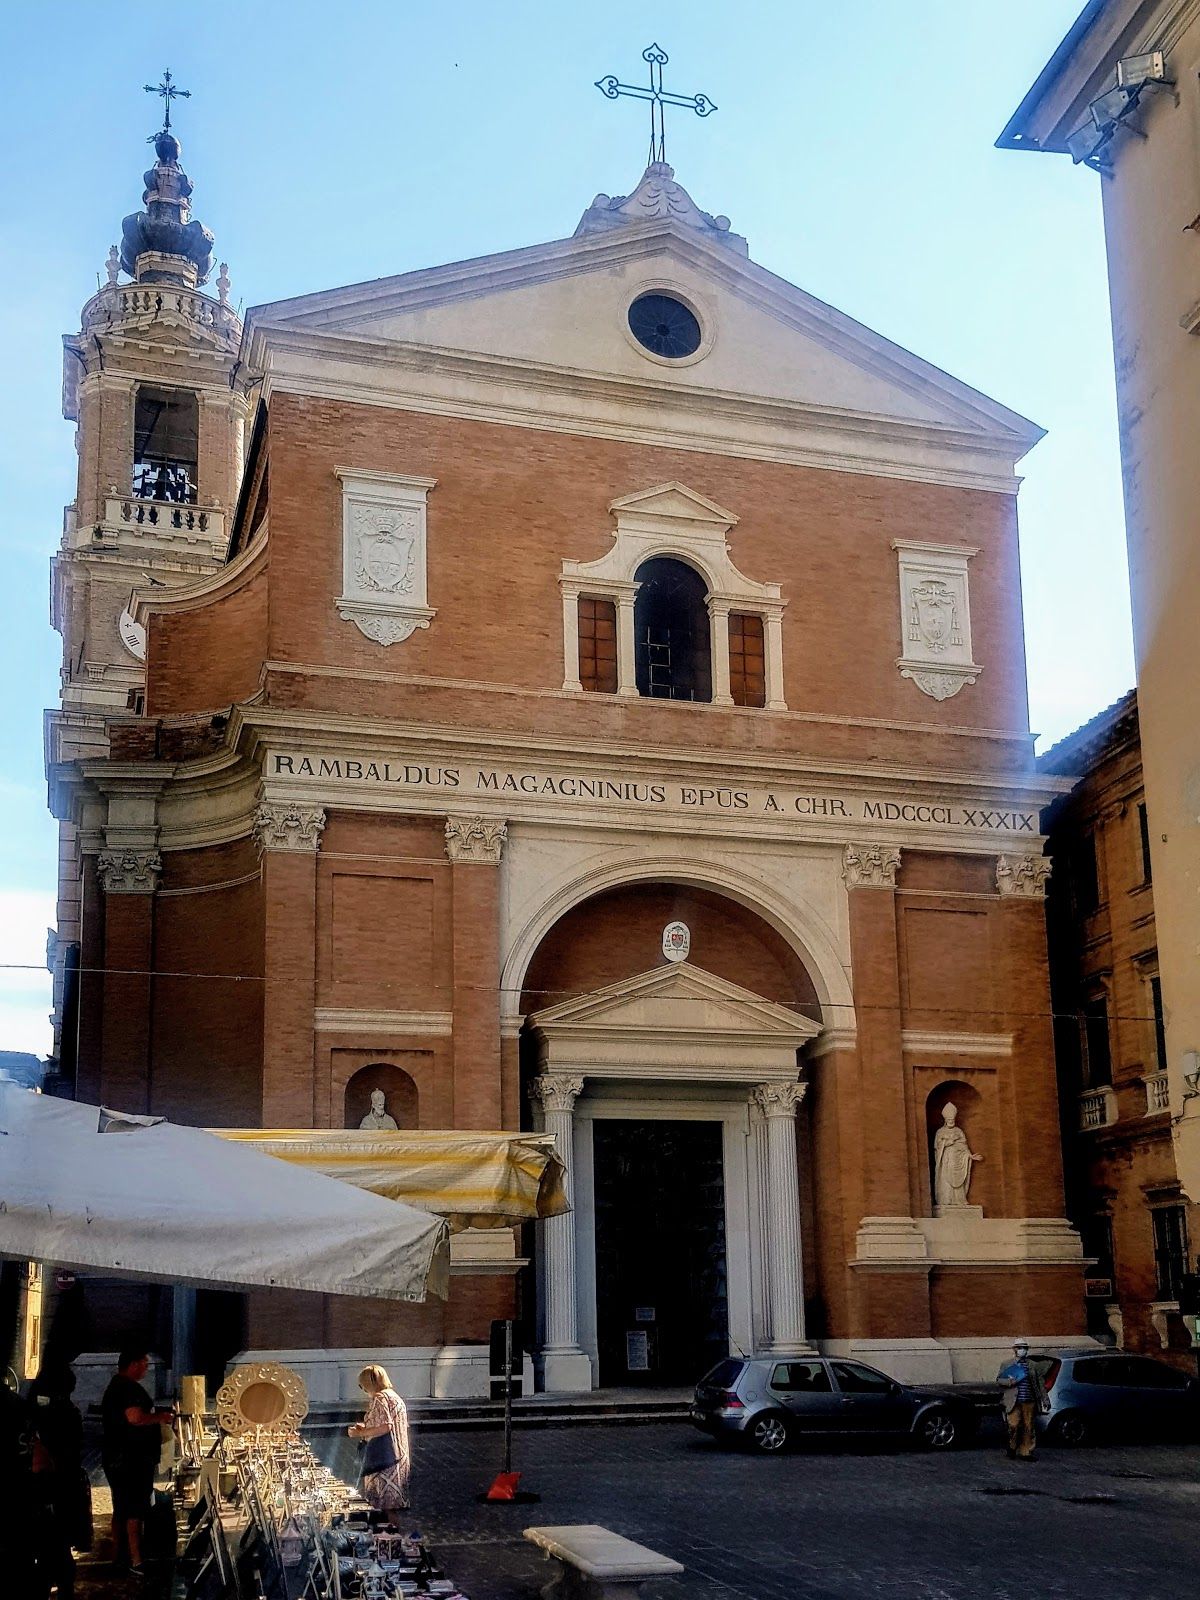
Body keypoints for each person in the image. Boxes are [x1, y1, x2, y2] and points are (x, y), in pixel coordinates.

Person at [100, 1349, 173, 1577]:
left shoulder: (116, 1385)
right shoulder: (127, 1388)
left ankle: (118, 1555)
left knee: (120, 1507)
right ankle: (136, 1559)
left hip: (118, 1457)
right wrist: (160, 1418)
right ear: (133, 1364)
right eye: (144, 1364)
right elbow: (135, 1418)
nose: (147, 1369)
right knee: (133, 1509)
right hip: (130, 1459)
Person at [29, 1363, 88, 1600]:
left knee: (50, 1548)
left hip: (50, 1488)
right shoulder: (70, 1412)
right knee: (60, 1547)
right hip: (67, 1485)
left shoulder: (45, 1414)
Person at [347, 1364, 410, 1525]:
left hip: (384, 1458)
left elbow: (385, 1426)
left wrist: (359, 1433)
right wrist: (366, 1427)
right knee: (390, 1505)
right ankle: (391, 1539)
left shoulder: (380, 1398)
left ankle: (389, 1540)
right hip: (398, 1456)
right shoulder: (394, 1397)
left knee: (385, 1505)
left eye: (362, 1386)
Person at [997, 1339, 1049, 1461]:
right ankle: (1012, 1447)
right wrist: (1009, 1382)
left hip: (1029, 1400)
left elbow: (1040, 1383)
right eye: (1020, 1347)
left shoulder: (1032, 1365)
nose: (1023, 1350)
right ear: (1014, 1349)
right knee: (1013, 1425)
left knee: (1028, 1426)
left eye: (1025, 1348)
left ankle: (1026, 1452)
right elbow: (999, 1380)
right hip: (1013, 1400)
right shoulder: (1007, 1364)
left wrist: (1044, 1398)